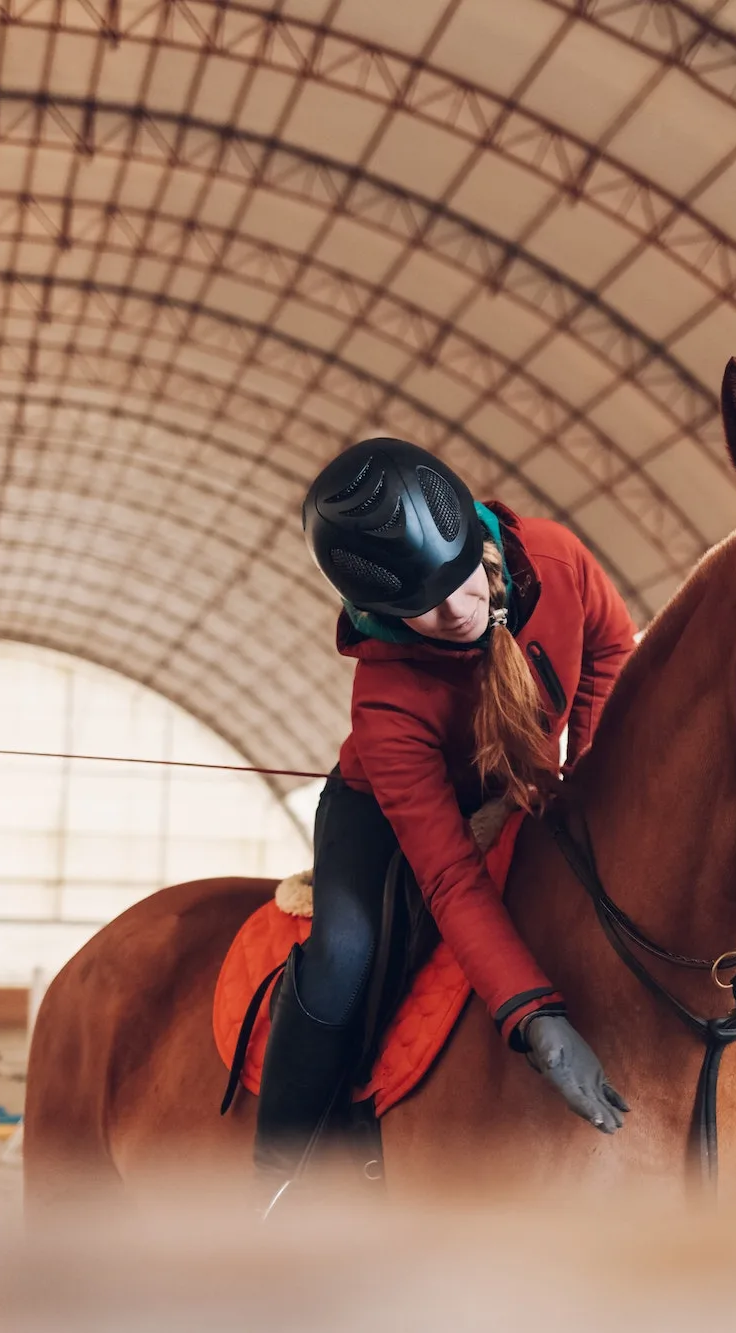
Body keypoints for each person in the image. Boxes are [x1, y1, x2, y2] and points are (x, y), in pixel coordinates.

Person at [254, 436, 640, 1192]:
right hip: (381, 811)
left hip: (519, 784)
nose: (458, 611)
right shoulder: (386, 704)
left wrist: (585, 772)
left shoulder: (558, 558)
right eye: (424, 610)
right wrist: (538, 1019)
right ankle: (277, 1170)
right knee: (344, 957)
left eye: (463, 582)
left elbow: (611, 647)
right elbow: (451, 880)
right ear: (375, 610)